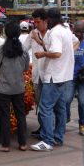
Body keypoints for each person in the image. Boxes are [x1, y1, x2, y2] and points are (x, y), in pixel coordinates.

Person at [31, 8, 74, 151]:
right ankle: (57, 137)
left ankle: (47, 140)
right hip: (64, 75)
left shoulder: (55, 32)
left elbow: (56, 52)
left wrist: (43, 54)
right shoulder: (65, 30)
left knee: (45, 108)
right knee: (60, 108)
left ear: (50, 19)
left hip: (54, 76)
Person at [0, 21, 29, 152]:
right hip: (19, 87)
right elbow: (26, 68)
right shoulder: (24, 50)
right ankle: (23, 143)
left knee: (5, 116)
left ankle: (5, 145)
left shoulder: (1, 50)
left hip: (3, 88)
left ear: (6, 34)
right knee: (20, 115)